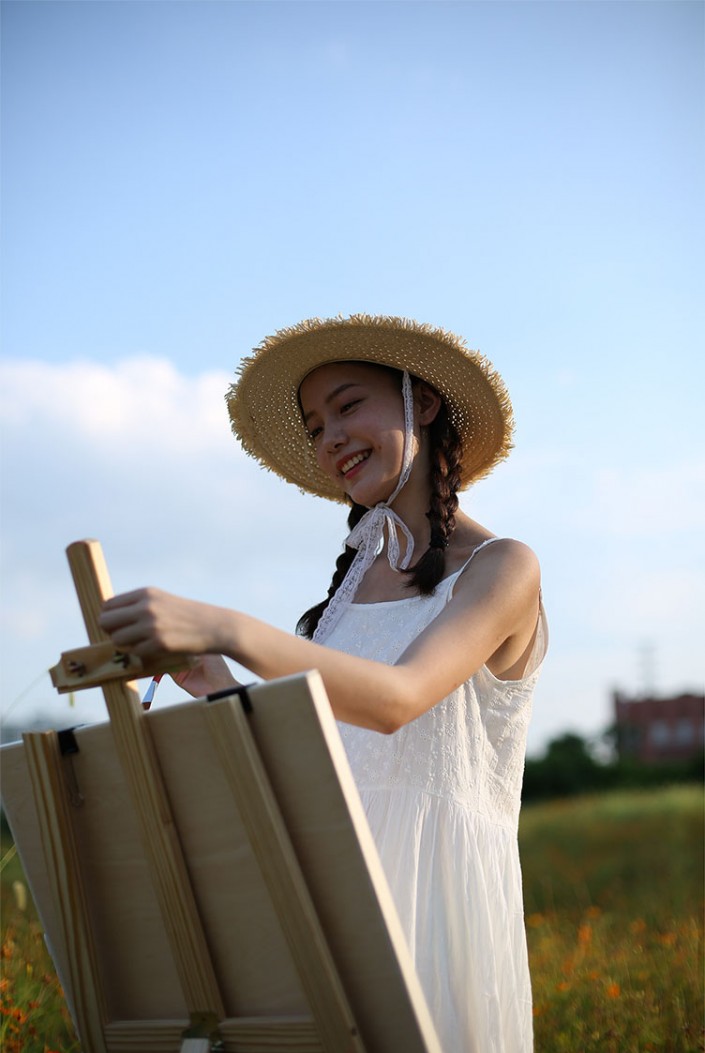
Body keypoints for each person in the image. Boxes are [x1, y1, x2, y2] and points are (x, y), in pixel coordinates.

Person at [99, 314, 547, 1053]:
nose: (329, 436)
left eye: (347, 406)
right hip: (326, 899)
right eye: (314, 426)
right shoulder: (339, 600)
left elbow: (396, 700)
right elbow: (314, 760)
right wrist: (214, 683)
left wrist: (229, 628)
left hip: (433, 909)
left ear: (423, 404)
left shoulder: (502, 566)